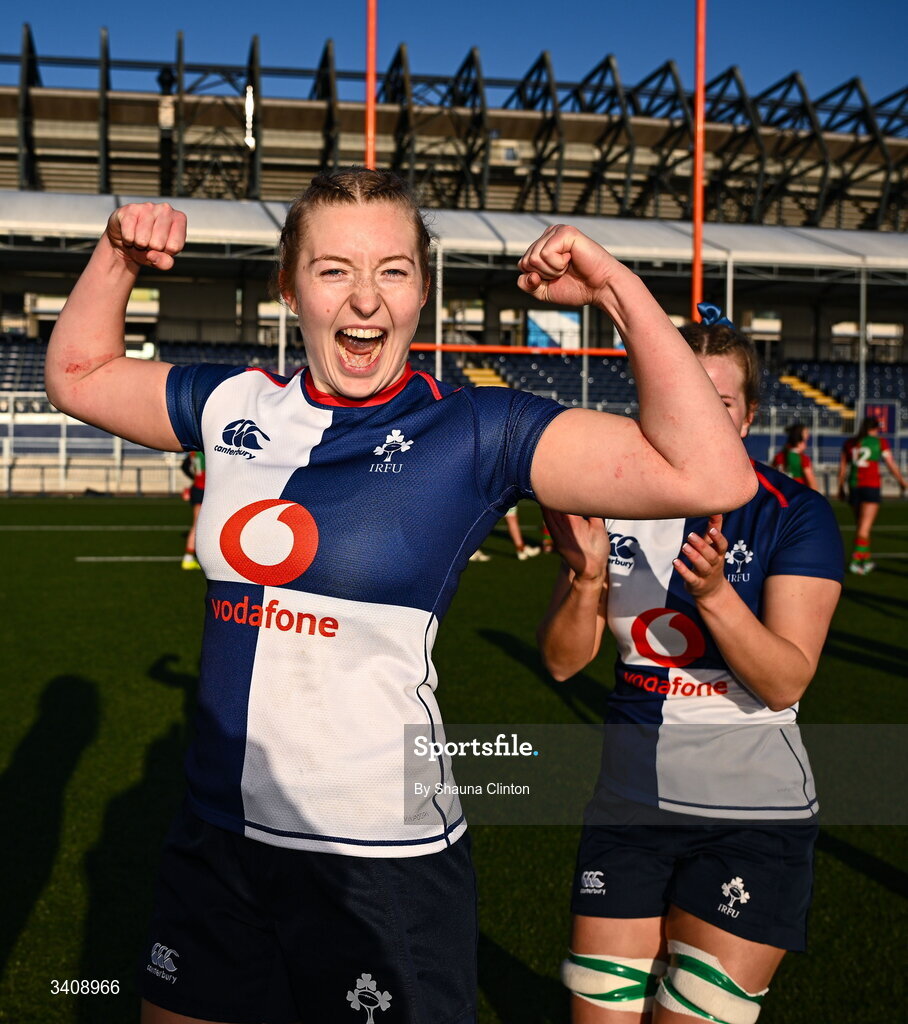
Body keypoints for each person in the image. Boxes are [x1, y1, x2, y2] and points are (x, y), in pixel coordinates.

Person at [45, 169, 756, 1024]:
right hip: (216, 842)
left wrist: (614, 286)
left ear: (423, 289)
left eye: (392, 269)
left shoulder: (476, 429)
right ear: (289, 286)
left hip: (381, 862)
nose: (365, 299)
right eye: (333, 268)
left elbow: (710, 470)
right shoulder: (234, 403)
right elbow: (79, 375)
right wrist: (117, 256)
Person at [538, 317, 842, 1024]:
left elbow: (784, 681)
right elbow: (560, 662)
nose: (698, 420)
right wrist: (585, 580)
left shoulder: (793, 514)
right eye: (680, 400)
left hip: (750, 817)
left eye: (720, 405)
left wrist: (714, 597)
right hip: (627, 806)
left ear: (751, 416)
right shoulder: (609, 505)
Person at [837, 415, 906, 574]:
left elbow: (842, 469)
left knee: (861, 526)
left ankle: (865, 560)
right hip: (871, 486)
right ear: (874, 428)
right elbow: (891, 464)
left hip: (854, 486)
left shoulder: (850, 443)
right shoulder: (880, 442)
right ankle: (856, 561)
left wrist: (840, 487)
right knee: (864, 528)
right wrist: (902, 482)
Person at [772, 423, 818, 490]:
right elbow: (811, 482)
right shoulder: (802, 458)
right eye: (806, 432)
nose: (808, 435)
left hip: (783, 494)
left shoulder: (779, 456)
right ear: (800, 436)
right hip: (799, 494)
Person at [179, 449, 205, 569]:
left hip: (198, 487)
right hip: (203, 488)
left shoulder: (193, 452)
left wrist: (194, 478)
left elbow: (185, 466)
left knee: (201, 524)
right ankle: (188, 558)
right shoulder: (206, 451)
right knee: (197, 524)